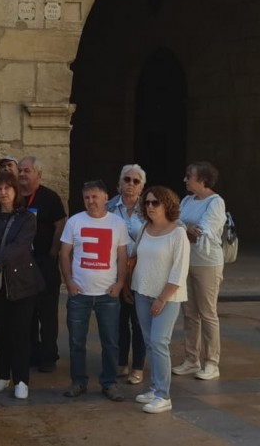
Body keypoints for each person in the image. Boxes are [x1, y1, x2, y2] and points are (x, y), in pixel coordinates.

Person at [0, 171, 43, 401]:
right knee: (1, 331)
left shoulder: (27, 218)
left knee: (20, 332)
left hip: (21, 282)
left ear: (16, 192)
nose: (3, 193)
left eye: (8, 189)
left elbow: (20, 247)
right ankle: (2, 375)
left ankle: (21, 379)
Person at [59, 180, 130, 402]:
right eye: (87, 197)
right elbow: (64, 254)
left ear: (105, 197)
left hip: (107, 295)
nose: (91, 201)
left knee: (110, 341)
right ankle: (78, 382)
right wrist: (68, 282)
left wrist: (120, 284)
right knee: (76, 341)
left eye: (95, 197)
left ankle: (109, 383)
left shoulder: (117, 223)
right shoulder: (75, 221)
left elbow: (122, 257)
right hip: (79, 294)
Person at [132, 185, 190, 414]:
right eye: (146, 203)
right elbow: (134, 256)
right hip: (142, 293)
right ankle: (155, 387)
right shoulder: (145, 229)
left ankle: (163, 395)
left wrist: (162, 299)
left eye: (155, 202)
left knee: (159, 342)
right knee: (149, 343)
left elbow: (179, 272)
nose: (150, 206)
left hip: (167, 297)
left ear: (168, 204)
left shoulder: (178, 233)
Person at [172, 161, 227, 381]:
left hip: (207, 263)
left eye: (189, 176)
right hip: (187, 260)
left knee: (207, 312)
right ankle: (191, 359)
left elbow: (204, 231)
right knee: (189, 312)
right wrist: (186, 229)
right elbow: (175, 222)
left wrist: (185, 229)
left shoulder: (215, 202)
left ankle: (212, 362)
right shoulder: (186, 200)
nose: (185, 179)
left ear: (202, 180)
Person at [19, 155, 67, 372]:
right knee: (26, 311)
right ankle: (30, 353)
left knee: (47, 313)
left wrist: (53, 251)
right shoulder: (15, 197)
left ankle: (49, 355)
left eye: (26, 170)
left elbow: (60, 224)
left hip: (44, 261)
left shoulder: (49, 197)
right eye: (20, 170)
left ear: (38, 174)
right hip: (21, 263)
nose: (21, 174)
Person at [108, 164, 148, 385]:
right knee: (119, 319)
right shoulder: (109, 207)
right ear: (120, 182)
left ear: (142, 187)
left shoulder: (151, 206)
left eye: (136, 181)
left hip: (141, 270)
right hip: (115, 270)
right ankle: (121, 361)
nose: (130, 184)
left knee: (138, 319)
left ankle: (138, 366)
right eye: (127, 179)